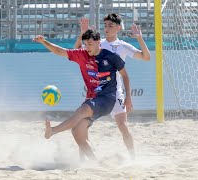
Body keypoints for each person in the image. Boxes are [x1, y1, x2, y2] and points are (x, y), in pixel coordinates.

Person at [32, 29, 133, 160]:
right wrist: (44, 42)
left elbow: (125, 76)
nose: (86, 47)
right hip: (93, 98)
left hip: (107, 99)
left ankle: (53, 131)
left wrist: (128, 97)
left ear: (98, 42)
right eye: (85, 43)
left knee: (83, 110)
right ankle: (95, 163)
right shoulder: (82, 54)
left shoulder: (111, 57)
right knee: (77, 132)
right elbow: (60, 51)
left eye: (89, 43)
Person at [74, 13, 151, 159]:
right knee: (83, 126)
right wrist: (82, 33)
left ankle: (133, 158)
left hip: (115, 93)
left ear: (118, 28)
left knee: (123, 126)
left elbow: (146, 57)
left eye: (110, 25)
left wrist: (139, 38)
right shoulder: (97, 43)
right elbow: (76, 51)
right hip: (96, 92)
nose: (106, 28)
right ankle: (82, 161)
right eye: (105, 25)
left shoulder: (122, 46)